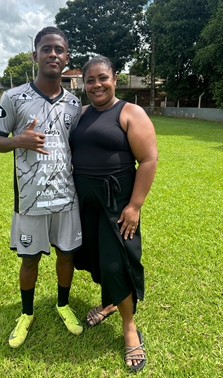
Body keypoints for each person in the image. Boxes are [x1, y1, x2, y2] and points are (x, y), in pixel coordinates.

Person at [0, 26, 83, 348]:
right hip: (29, 200)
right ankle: (26, 313)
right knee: (29, 260)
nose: (53, 54)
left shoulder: (74, 103)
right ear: (35, 56)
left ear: (66, 57)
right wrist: (18, 140)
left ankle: (62, 304)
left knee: (66, 255)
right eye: (46, 49)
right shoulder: (13, 97)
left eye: (59, 50)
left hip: (66, 199)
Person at [70, 55, 158, 372]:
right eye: (90, 80)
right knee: (95, 258)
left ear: (115, 79)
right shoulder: (79, 114)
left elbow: (148, 160)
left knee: (115, 262)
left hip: (117, 203)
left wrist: (134, 206)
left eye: (102, 78)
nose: (96, 85)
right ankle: (110, 302)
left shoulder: (130, 113)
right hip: (85, 201)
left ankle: (129, 327)